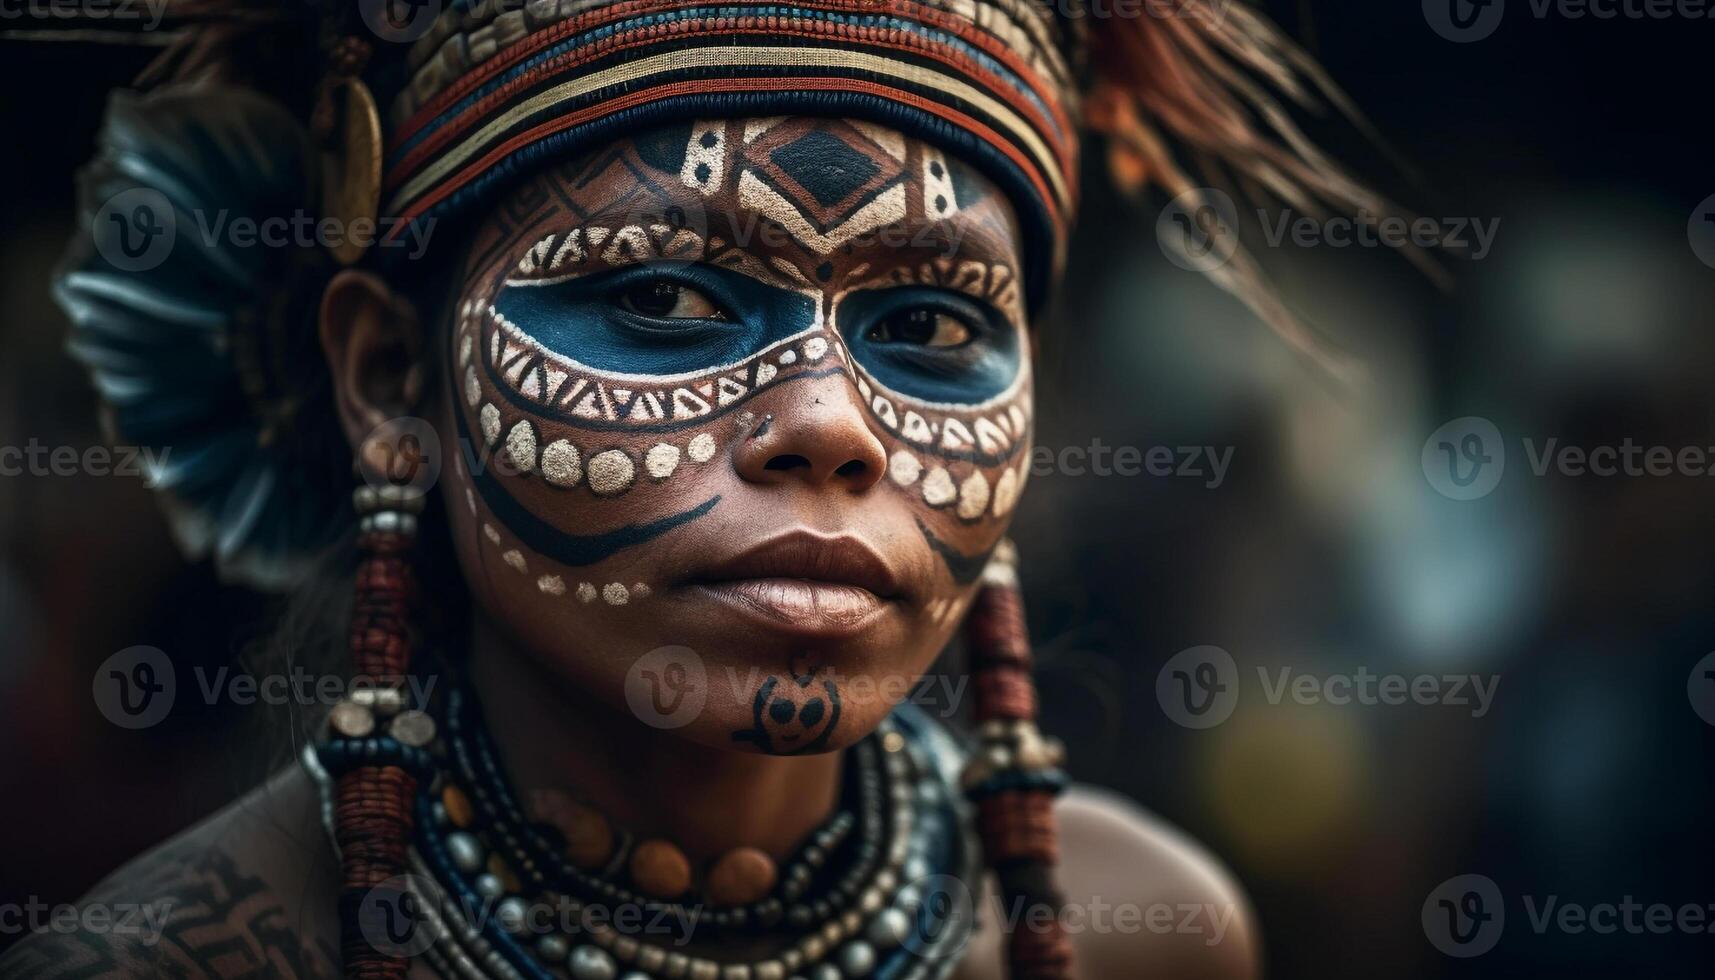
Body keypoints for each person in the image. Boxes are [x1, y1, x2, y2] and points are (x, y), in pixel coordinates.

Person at [2, 2, 1384, 976]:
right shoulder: (190, 958)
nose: (833, 427)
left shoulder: (1136, 933)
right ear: (387, 380)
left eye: (932, 328)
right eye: (661, 296)